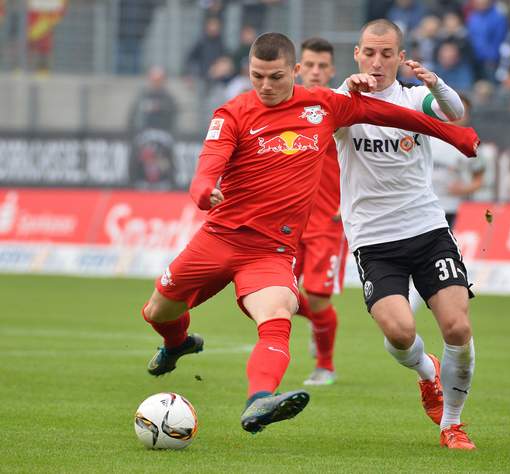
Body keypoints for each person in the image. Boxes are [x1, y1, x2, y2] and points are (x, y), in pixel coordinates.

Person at [140, 31, 479, 435]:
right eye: (257, 76)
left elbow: (390, 115)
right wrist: (202, 191)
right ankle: (177, 343)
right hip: (218, 238)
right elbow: (210, 162)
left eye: (276, 77)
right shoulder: (230, 114)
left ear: (296, 72)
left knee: (279, 312)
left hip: (271, 250)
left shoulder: (321, 106)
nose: (265, 86)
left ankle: (259, 399)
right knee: (158, 312)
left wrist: (455, 135)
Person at [335, 19, 478, 449]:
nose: (377, 63)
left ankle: (451, 424)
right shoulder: (343, 103)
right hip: (374, 240)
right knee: (399, 333)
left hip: (426, 228)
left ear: (401, 57)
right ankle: (426, 373)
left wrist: (436, 84)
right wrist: (347, 89)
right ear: (357, 54)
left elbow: (455, 114)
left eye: (386, 54)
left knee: (457, 326)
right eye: (369, 53)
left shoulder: (415, 99)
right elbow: (327, 116)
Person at [292, 37, 344, 386]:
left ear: (332, 70)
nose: (315, 71)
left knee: (319, 298)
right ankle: (318, 324)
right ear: (297, 69)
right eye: (309, 65)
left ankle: (325, 365)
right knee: (274, 294)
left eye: (322, 66)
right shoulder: (281, 105)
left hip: (328, 219)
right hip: (285, 222)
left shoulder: (342, 108)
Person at [431, 95, 485, 228]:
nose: (458, 115)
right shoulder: (427, 135)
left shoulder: (471, 144)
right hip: (422, 205)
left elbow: (479, 180)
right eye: (453, 109)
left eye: (463, 112)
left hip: (449, 207)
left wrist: (463, 189)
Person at [127, 66, 179, 189]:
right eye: (154, 79)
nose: (156, 82)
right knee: (138, 155)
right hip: (144, 132)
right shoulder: (143, 96)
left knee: (167, 157)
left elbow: (173, 114)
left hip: (164, 132)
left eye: (159, 79)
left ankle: (169, 182)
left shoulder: (168, 98)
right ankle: (135, 182)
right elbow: (133, 115)